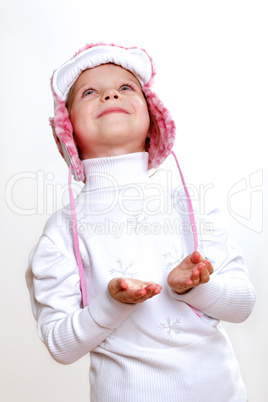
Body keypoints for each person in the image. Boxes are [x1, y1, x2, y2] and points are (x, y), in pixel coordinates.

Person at [26, 43, 256, 401]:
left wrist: (195, 287)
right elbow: (60, 344)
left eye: (126, 87)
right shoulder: (64, 231)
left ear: (154, 120)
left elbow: (243, 305)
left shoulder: (189, 204)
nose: (110, 93)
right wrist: (112, 302)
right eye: (90, 92)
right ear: (66, 133)